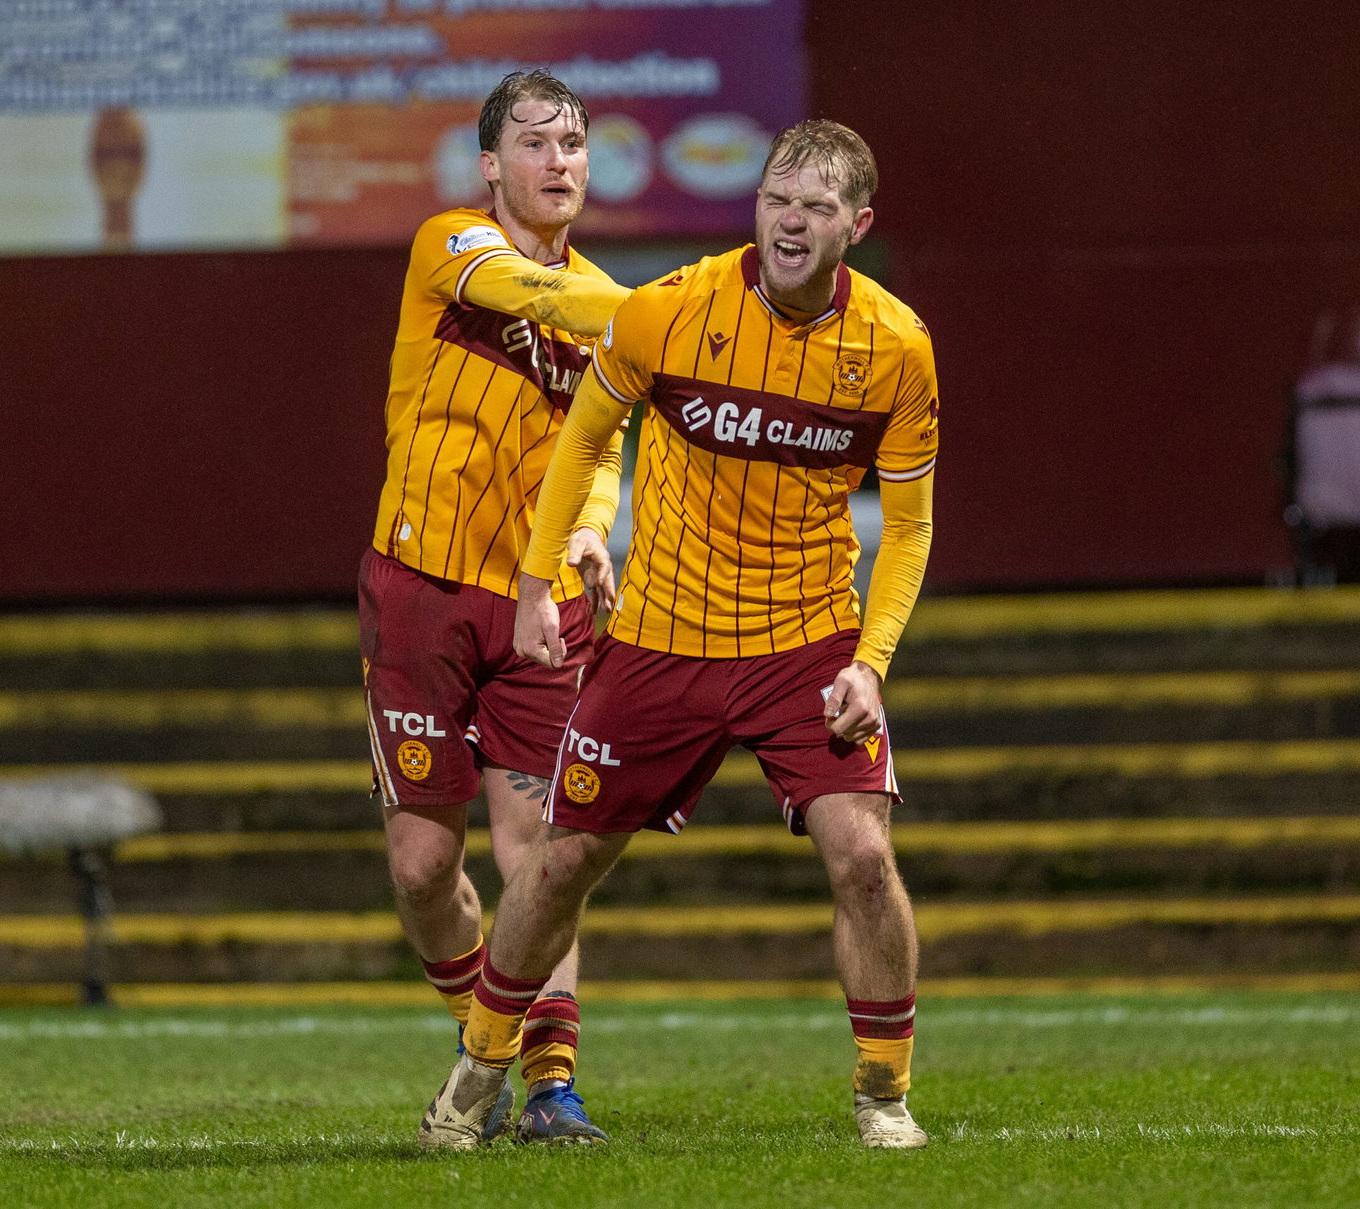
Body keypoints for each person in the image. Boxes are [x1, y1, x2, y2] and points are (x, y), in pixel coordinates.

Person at [420, 118, 939, 1150]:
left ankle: (883, 1094)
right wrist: (538, 582)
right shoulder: (667, 311)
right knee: (562, 863)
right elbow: (582, 442)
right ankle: (476, 1074)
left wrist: (871, 666)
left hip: (804, 645)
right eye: (775, 203)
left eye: (815, 210)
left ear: (857, 223)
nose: (789, 226)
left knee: (864, 858)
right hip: (660, 642)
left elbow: (912, 524)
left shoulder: (896, 349)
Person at [358, 69, 631, 1149]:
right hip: (418, 590)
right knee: (424, 871)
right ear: (489, 166)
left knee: (546, 850)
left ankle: (549, 1089)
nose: (559, 161)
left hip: (541, 607)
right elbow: (545, 300)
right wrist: (703, 310)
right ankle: (495, 1045)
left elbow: (604, 446)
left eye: (574, 143)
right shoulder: (452, 247)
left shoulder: (617, 305)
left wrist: (584, 530)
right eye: (534, 143)